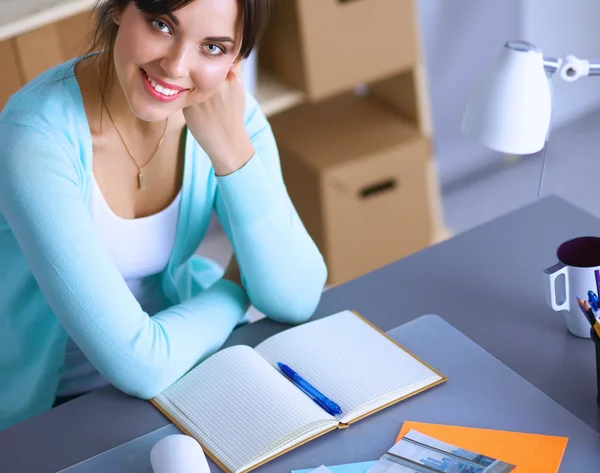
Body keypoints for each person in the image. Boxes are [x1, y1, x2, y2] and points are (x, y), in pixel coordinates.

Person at [0, 0, 327, 430]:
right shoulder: (34, 138)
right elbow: (140, 365)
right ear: (119, 9)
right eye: (161, 25)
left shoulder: (224, 115)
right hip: (46, 408)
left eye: (213, 47)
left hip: (184, 366)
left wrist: (231, 152)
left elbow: (296, 297)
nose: (175, 67)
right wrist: (236, 287)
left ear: (236, 60)